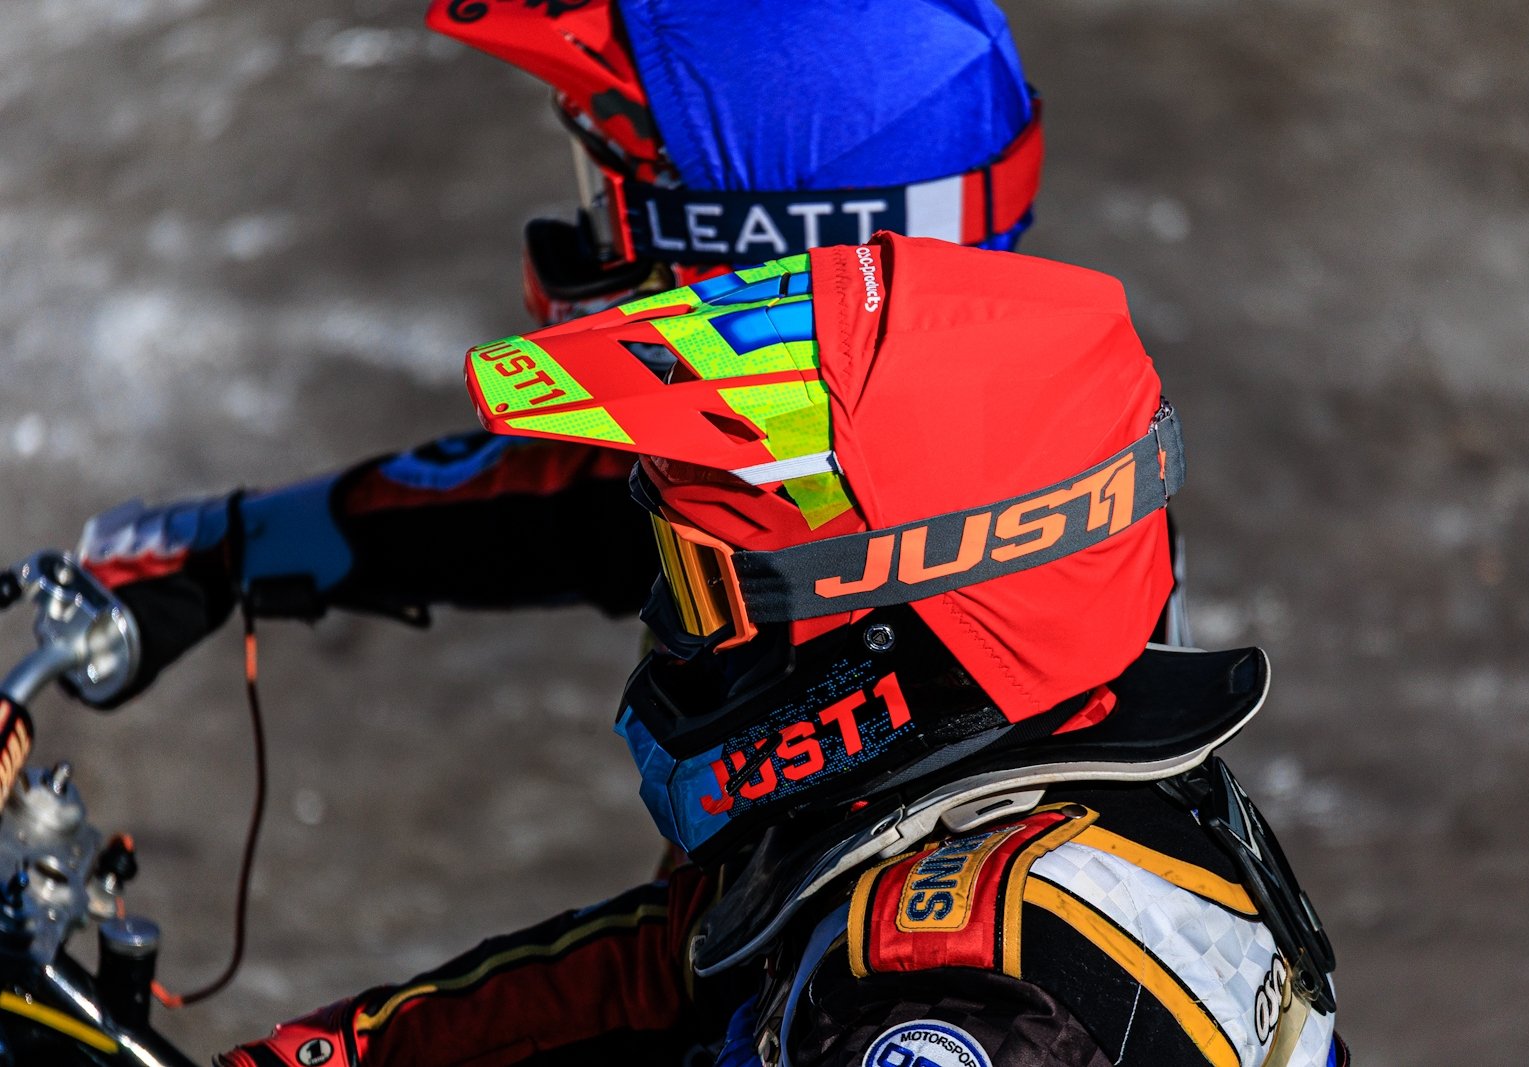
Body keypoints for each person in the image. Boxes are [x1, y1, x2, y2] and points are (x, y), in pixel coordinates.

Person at [218, 234, 1347, 1067]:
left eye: (709, 592)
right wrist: (334, 1052)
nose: (676, 634)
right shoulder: (1050, 792)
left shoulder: (969, 1008)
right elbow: (688, 959)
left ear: (892, 630)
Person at [71, 0, 1047, 698]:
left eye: (620, 195)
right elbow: (552, 505)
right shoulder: (832, 478)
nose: (591, 237)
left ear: (772, 243)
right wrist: (229, 543)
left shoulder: (936, 653)